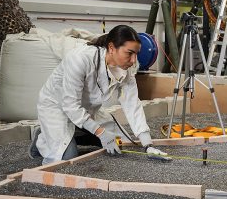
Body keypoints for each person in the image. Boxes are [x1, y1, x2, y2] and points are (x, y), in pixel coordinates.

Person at [28, 25, 167, 164]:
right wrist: (100, 132)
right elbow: (70, 106)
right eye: (129, 53)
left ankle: (69, 133)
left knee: (120, 142)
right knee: (66, 157)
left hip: (86, 109)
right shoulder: (80, 59)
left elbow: (132, 104)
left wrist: (148, 144)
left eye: (136, 54)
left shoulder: (127, 68)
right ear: (111, 48)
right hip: (57, 107)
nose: (133, 60)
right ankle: (43, 136)